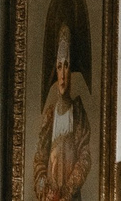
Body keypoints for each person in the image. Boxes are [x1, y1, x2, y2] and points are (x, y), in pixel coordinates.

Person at [33, 24, 94, 201]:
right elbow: (39, 157)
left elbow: (84, 156)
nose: (63, 75)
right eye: (59, 66)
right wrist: (45, 189)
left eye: (66, 66)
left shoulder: (78, 113)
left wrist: (67, 192)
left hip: (70, 196)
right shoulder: (50, 115)